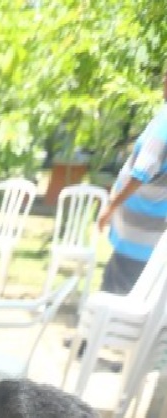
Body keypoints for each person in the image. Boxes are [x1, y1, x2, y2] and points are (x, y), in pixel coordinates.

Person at [97, 69, 167, 296]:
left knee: (116, 296)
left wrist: (111, 206)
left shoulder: (163, 125)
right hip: (152, 235)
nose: (163, 80)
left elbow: (141, 173)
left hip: (138, 235)